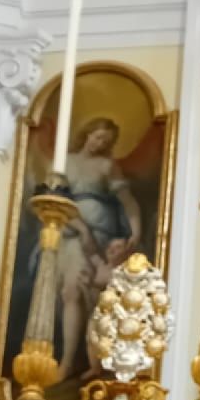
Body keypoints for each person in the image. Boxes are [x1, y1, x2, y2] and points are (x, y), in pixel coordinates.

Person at [55, 118, 142, 380]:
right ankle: (67, 362)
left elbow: (128, 202)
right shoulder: (65, 161)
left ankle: (86, 362)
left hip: (101, 236)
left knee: (91, 297)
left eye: (106, 140)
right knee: (71, 290)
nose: (100, 143)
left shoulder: (107, 166)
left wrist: (136, 231)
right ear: (87, 133)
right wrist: (82, 229)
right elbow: (56, 200)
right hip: (72, 233)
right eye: (98, 136)